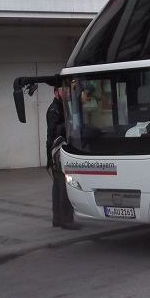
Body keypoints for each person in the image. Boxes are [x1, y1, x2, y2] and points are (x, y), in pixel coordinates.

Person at [46, 86, 81, 230]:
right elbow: (53, 130)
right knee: (64, 186)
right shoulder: (54, 109)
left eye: (66, 90)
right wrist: (69, 124)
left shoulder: (62, 107)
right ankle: (66, 220)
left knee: (58, 186)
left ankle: (58, 219)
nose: (66, 92)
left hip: (58, 152)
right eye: (62, 90)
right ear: (56, 93)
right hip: (58, 152)